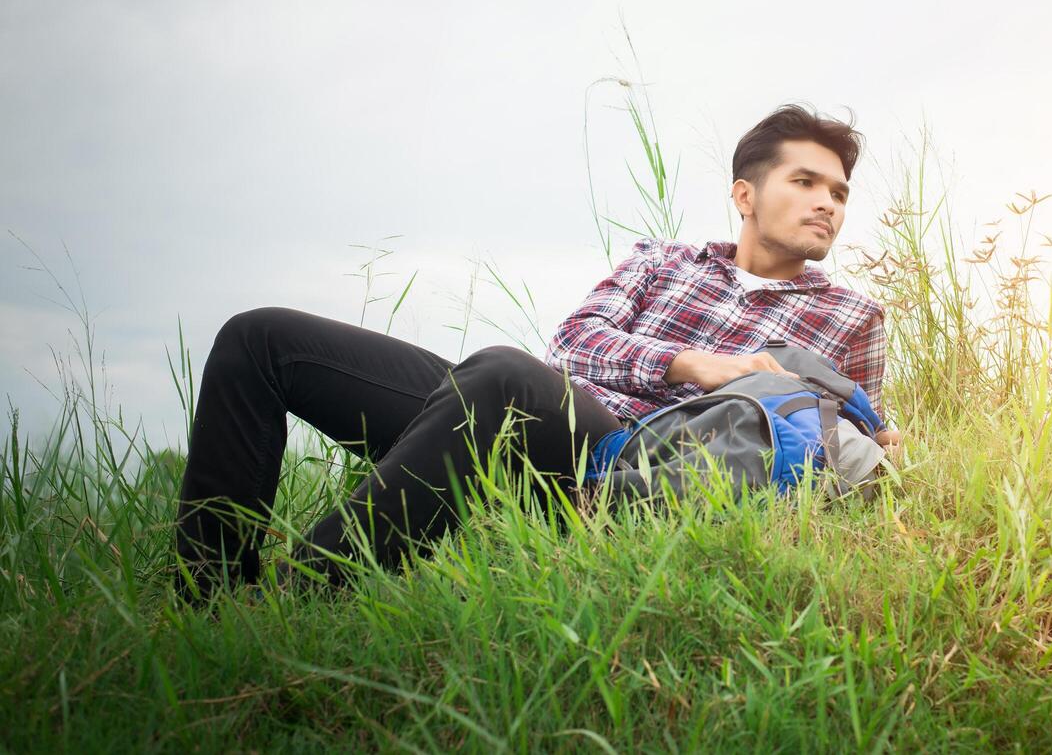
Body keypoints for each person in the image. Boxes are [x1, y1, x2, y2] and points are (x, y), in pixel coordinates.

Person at [172, 103, 901, 599]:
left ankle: (294, 598)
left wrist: (883, 442)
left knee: (501, 376)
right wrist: (689, 363)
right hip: (544, 418)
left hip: (638, 467)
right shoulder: (662, 262)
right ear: (744, 195)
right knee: (260, 338)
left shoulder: (851, 315)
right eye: (804, 182)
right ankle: (204, 597)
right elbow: (575, 345)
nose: (826, 204)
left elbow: (848, 432)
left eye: (838, 193)